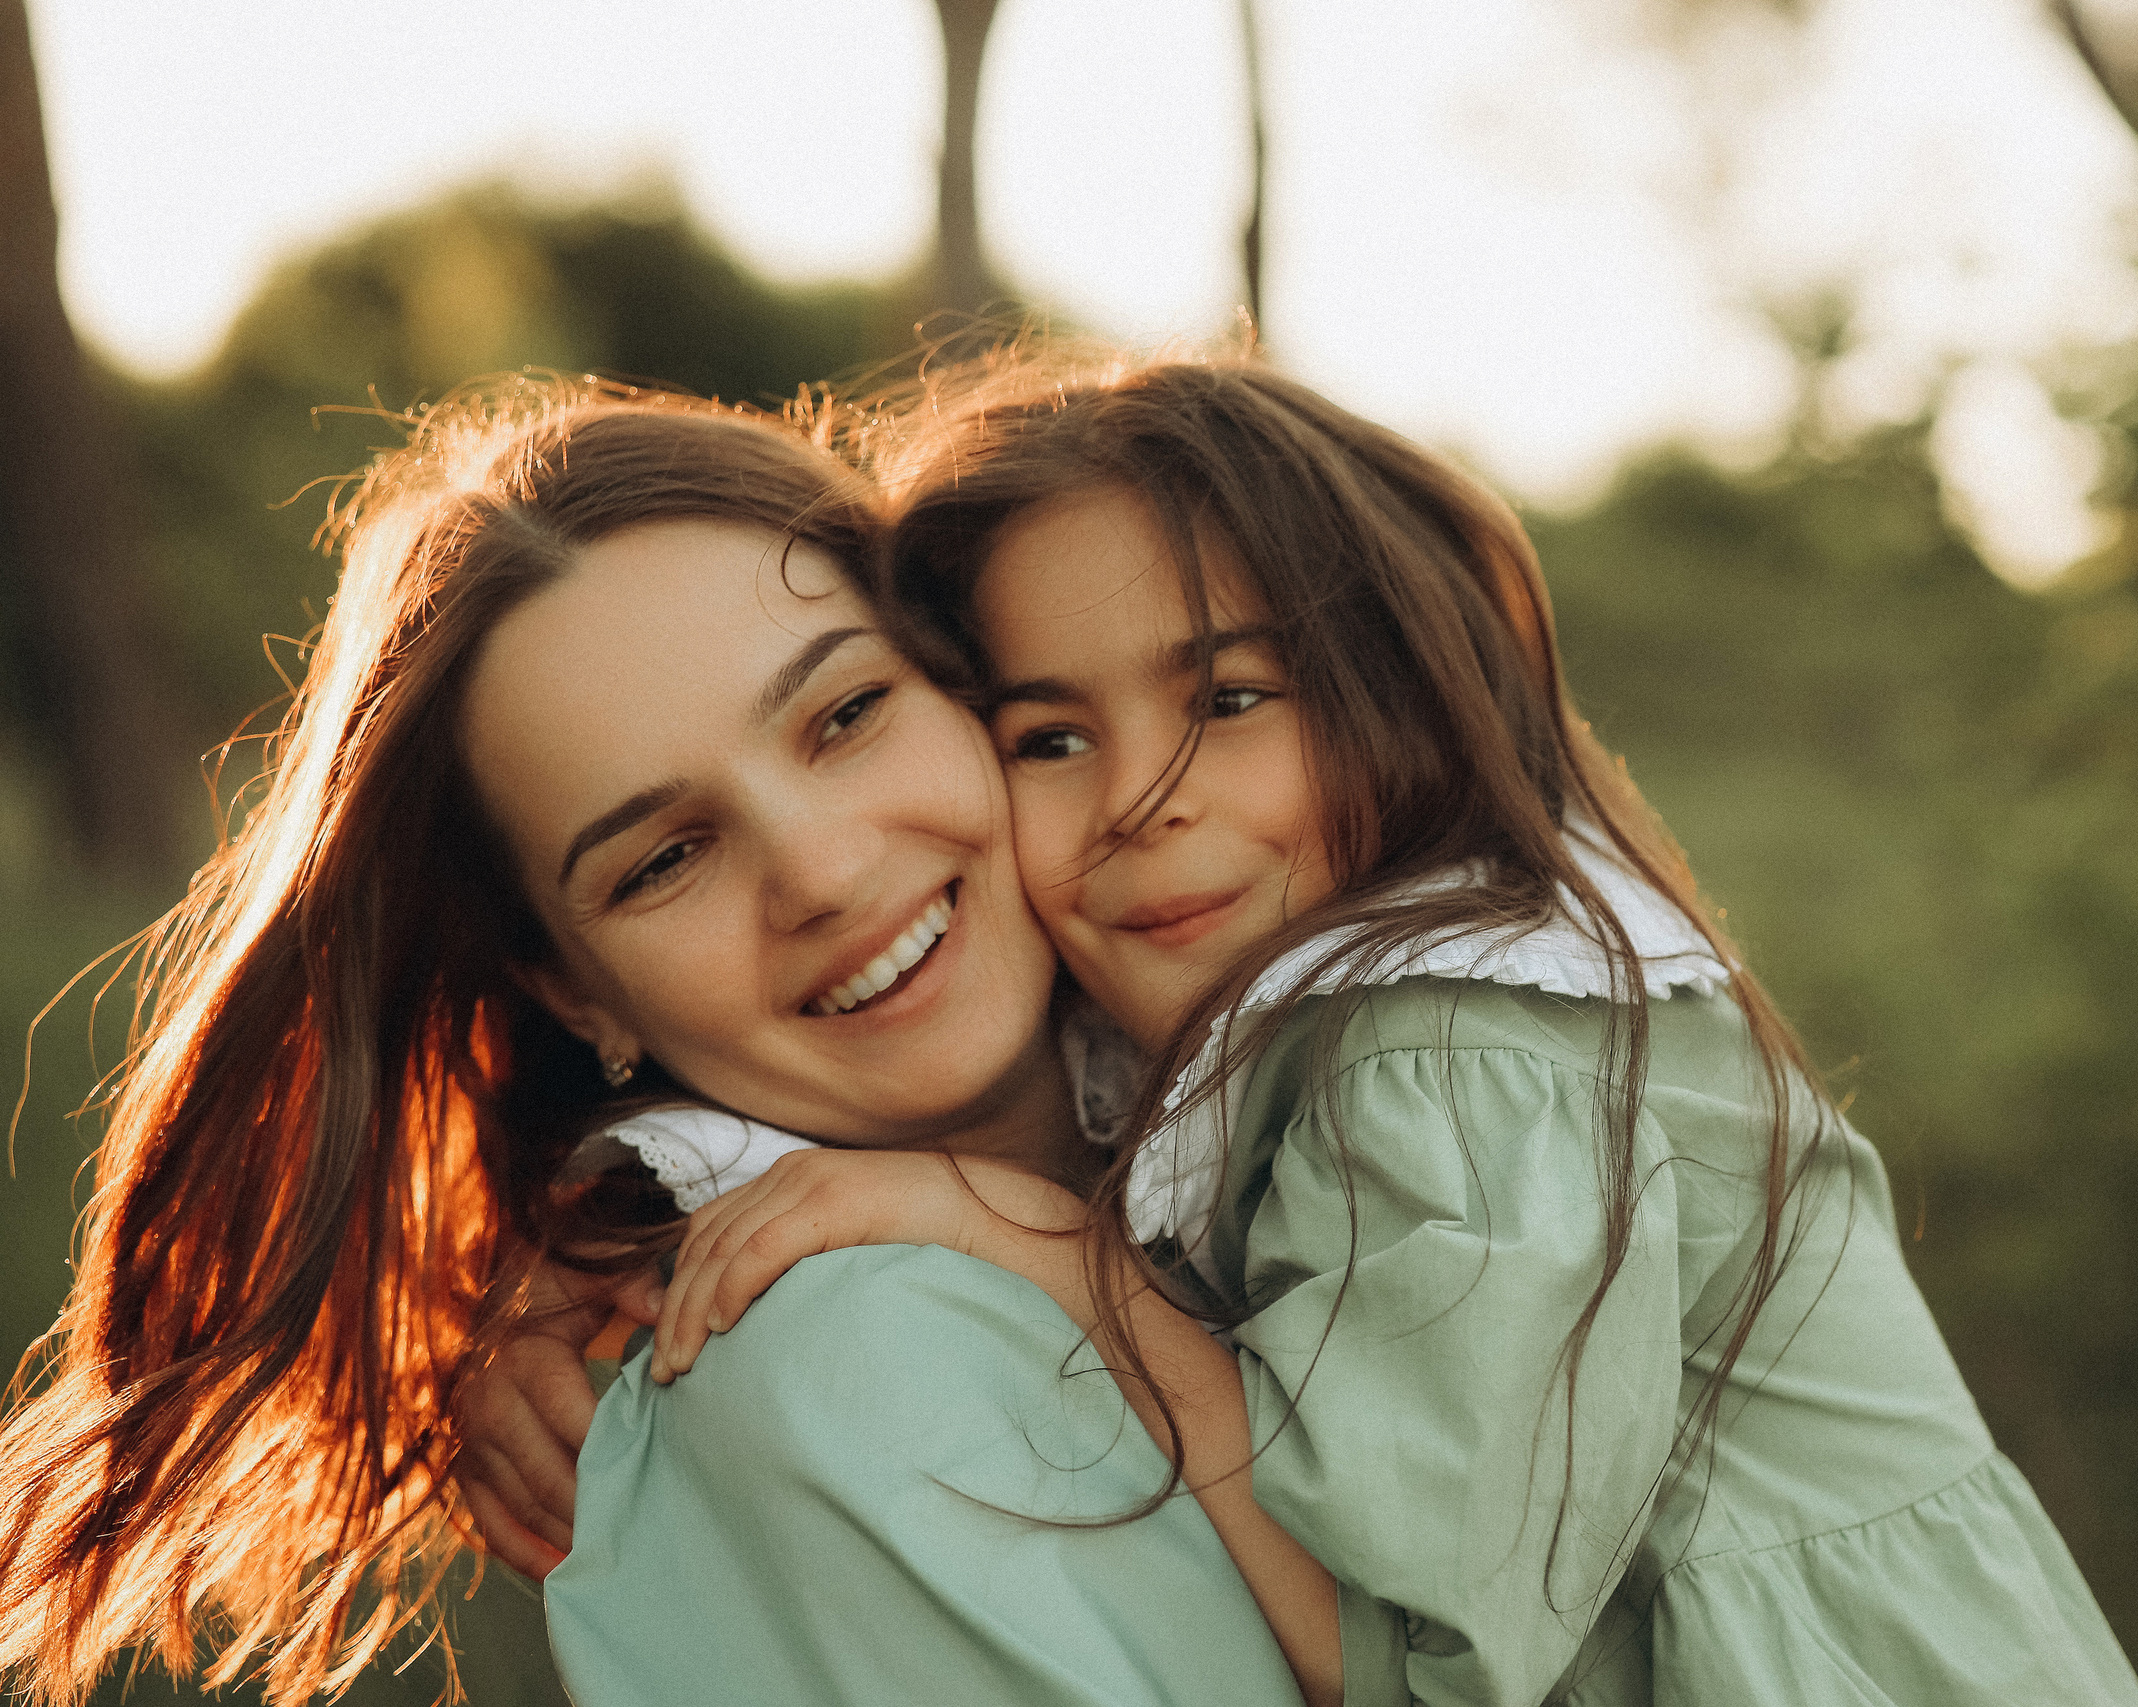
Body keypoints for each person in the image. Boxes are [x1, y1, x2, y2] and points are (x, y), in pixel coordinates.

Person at [615, 347, 2138, 1705]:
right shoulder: (1282, 1033)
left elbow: (1410, 1658)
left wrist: (1026, 1245)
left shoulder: (1447, 1058)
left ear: (1400, 694)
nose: (1145, 804)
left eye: (1228, 701)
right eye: (1052, 736)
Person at [0, 381, 1319, 1707]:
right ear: (577, 993)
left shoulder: (1311, 1038)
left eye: (846, 716)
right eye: (665, 859)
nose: (822, 869)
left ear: (968, 674)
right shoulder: (847, 1358)